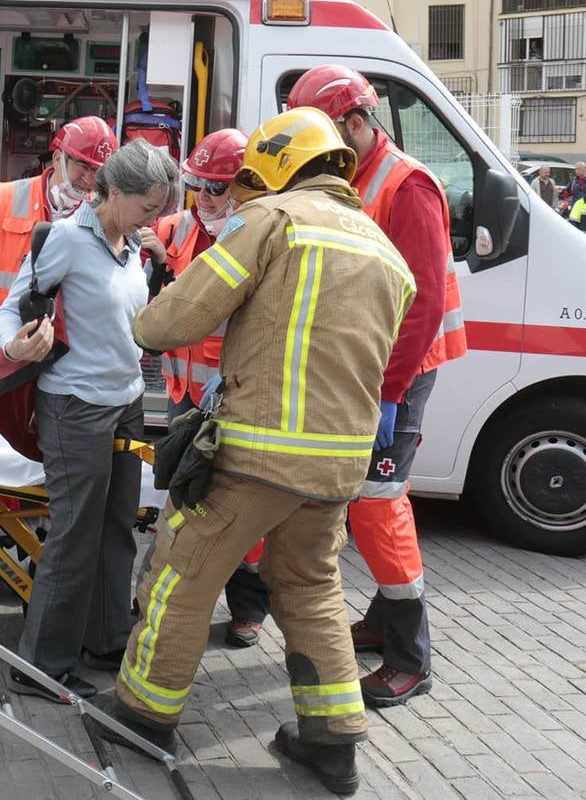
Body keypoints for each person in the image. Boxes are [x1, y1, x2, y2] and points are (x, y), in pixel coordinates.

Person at [96, 107, 414, 796]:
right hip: (338, 468)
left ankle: (141, 719)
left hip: (257, 458)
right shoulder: (382, 248)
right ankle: (332, 743)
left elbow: (175, 319)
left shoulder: (274, 221)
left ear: (274, 162)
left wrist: (147, 315)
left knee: (183, 577)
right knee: (311, 590)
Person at [287, 64, 467, 707]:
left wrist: (390, 392)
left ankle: (410, 657)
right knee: (364, 502)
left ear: (358, 124)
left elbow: (417, 306)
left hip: (401, 371)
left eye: (327, 138)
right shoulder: (354, 178)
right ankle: (384, 620)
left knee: (378, 506)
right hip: (370, 369)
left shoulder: (407, 185)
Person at [0, 141, 177, 703]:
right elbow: (9, 307)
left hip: (123, 402)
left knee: (117, 525)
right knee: (75, 536)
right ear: (113, 193)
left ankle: (105, 639)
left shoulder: (132, 248)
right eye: (148, 206)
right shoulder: (68, 241)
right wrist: (16, 345)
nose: (156, 217)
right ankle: (41, 665)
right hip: (74, 406)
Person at [0, 116, 118, 599]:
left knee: (51, 465)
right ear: (56, 155)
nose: (88, 178)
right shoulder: (6, 199)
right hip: (3, 359)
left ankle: (45, 556)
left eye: (98, 170)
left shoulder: (107, 215)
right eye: (81, 164)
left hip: (66, 362)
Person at [150, 128, 270, 649]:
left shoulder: (260, 236)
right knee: (186, 502)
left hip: (236, 399)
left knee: (242, 513)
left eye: (215, 188)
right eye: (196, 185)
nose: (203, 198)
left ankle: (248, 607)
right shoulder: (175, 228)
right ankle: (181, 599)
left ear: (245, 186)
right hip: (185, 397)